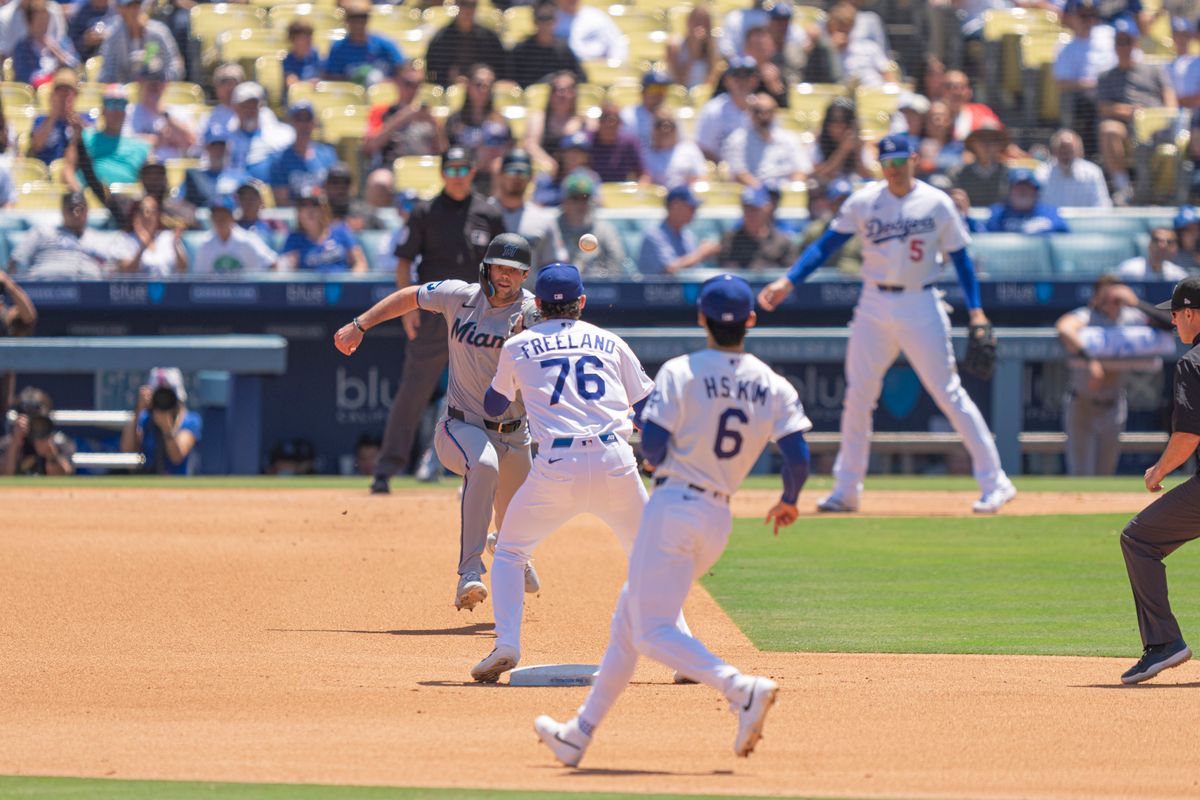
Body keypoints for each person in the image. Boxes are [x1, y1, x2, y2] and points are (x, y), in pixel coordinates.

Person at [533, 273, 811, 767]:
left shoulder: (682, 370)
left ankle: (740, 688)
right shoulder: (773, 383)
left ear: (701, 317)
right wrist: (789, 499)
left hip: (674, 507)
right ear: (749, 320)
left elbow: (655, 446)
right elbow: (798, 455)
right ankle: (579, 733)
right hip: (718, 517)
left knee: (650, 631)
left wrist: (656, 457)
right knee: (628, 620)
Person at [758, 133, 1018, 514]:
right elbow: (825, 245)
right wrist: (789, 280)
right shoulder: (865, 200)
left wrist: (976, 311)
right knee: (858, 396)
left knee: (948, 392)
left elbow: (961, 259)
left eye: (900, 162)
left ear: (914, 159)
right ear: (880, 165)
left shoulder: (936, 202)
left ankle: (996, 482)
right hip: (874, 302)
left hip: (922, 301)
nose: (894, 170)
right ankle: (847, 489)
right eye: (888, 163)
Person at [470, 261, 690, 684]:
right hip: (615, 462)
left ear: (537, 306)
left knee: (512, 552)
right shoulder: (610, 341)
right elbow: (647, 411)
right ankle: (683, 654)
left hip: (556, 467)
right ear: (582, 302)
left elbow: (494, 407)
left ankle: (507, 645)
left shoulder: (519, 345)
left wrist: (516, 350)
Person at [334, 233, 540, 607]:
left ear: (525, 275)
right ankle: (470, 573)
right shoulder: (459, 296)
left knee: (522, 518)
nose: (506, 276)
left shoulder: (533, 314)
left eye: (515, 270)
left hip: (514, 434)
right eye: (500, 267)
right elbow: (410, 295)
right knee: (483, 464)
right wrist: (360, 325)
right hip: (461, 426)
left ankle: (508, 547)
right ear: (486, 268)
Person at [372, 146, 505, 493]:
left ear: (473, 172)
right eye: (452, 170)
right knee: (413, 391)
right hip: (433, 312)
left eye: (464, 169)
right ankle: (385, 470)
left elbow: (504, 267)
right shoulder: (425, 212)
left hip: (479, 313)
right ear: (443, 173)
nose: (458, 176)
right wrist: (408, 311)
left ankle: (490, 468)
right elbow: (404, 262)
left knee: (490, 392)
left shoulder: (488, 213)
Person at [1116, 275, 1200, 684]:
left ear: (1190, 313)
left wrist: (1159, 470)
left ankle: (1165, 643)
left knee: (1139, 539)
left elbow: (1187, 436)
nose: (1172, 323)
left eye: (1175, 315)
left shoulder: (1192, 362)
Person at [1056, 275, 1155, 476]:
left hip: (1113, 405)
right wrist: (1090, 360)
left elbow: (1167, 324)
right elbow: (1064, 327)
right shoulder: (1087, 316)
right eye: (1107, 297)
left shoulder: (1131, 317)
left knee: (1105, 474)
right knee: (1081, 473)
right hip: (1083, 404)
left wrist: (1136, 303)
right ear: (1096, 297)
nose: (1112, 302)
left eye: (1117, 297)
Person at [1097, 15, 1176, 206]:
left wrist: (1159, 116)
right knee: (1108, 129)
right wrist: (1129, 111)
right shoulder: (1107, 76)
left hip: (1155, 126)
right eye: (1119, 42)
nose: (1123, 47)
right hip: (1126, 125)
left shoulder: (1154, 69)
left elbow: (1170, 98)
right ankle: (1123, 187)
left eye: (1127, 41)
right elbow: (1103, 107)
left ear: (1136, 43)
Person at [9, 190, 121, 278]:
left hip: (89, 295)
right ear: (62, 211)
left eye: (80, 209)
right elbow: (15, 261)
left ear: (87, 211)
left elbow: (114, 270)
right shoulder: (43, 232)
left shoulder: (99, 239)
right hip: (44, 292)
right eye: (70, 209)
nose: (76, 214)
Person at [63, 85, 149, 193]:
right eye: (111, 104)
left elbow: (150, 183)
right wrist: (81, 197)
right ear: (102, 110)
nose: (116, 110)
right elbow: (68, 170)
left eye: (121, 104)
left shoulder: (141, 146)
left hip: (126, 205)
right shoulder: (84, 137)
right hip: (89, 203)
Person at [364, 61, 445, 173]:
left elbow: (443, 152)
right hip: (391, 168)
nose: (413, 89)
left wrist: (435, 125)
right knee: (380, 181)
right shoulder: (382, 111)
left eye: (418, 84)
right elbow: (370, 147)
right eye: (408, 83)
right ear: (397, 82)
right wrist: (403, 117)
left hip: (424, 169)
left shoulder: (429, 115)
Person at [493, 149, 567, 272]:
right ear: (500, 174)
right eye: (511, 171)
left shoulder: (544, 219)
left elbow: (554, 266)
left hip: (530, 290)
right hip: (486, 291)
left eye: (523, 172)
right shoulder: (481, 213)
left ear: (531, 177)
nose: (517, 177)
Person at [120, 367, 201, 476]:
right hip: (147, 481)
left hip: (178, 485)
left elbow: (176, 457)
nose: (163, 401)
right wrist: (138, 410)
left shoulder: (190, 420)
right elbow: (127, 449)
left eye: (168, 395)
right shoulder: (145, 418)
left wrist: (167, 429)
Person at [722, 92, 811, 188]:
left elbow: (801, 169)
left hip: (785, 190)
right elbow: (739, 173)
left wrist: (791, 190)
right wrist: (762, 192)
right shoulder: (737, 140)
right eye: (758, 111)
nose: (763, 115)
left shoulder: (790, 138)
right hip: (753, 192)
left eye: (769, 111)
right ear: (749, 112)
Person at [638, 185, 720, 276]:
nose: (694, 212)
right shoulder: (653, 235)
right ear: (675, 206)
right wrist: (701, 253)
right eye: (691, 207)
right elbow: (670, 269)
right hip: (654, 290)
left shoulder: (688, 236)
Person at [281, 188, 367, 274]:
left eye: (315, 204)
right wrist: (288, 264)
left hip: (340, 285)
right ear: (298, 212)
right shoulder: (294, 239)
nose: (310, 210)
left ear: (324, 209)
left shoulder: (341, 231)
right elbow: (285, 269)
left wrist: (352, 282)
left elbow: (360, 263)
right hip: (311, 286)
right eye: (304, 205)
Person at [268, 101, 338, 207]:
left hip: (324, 215)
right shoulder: (280, 160)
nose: (303, 124)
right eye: (298, 119)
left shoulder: (327, 154)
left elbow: (335, 193)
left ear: (314, 123)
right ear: (291, 122)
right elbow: (282, 202)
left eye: (307, 119)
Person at [557, 173, 627, 277]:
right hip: (560, 287)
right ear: (564, 201)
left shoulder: (604, 230)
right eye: (575, 198)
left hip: (598, 288)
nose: (581, 204)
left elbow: (616, 262)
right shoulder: (553, 228)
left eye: (585, 198)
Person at [122, 64, 197, 162]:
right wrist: (160, 140)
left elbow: (190, 142)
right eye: (150, 80)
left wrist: (164, 114)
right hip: (141, 170)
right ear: (140, 82)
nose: (155, 84)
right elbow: (124, 143)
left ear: (166, 84)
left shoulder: (177, 112)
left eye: (159, 80)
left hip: (172, 171)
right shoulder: (128, 112)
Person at [423, 0, 506, 87]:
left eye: (472, 5)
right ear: (456, 5)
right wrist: (449, 79)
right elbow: (432, 75)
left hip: (483, 92)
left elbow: (501, 70)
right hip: (449, 92)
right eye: (464, 4)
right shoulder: (441, 39)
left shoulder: (489, 38)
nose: (468, 9)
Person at [97, 0, 182, 84]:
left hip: (157, 92)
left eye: (138, 5)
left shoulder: (159, 32)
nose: (135, 10)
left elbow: (176, 68)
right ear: (120, 9)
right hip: (124, 95)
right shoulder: (113, 36)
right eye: (130, 6)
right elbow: (106, 73)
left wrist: (158, 75)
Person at [323, 0, 405, 86]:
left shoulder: (385, 44)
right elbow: (330, 78)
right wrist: (354, 81)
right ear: (346, 21)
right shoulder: (338, 49)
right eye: (354, 19)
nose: (359, 24)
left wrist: (382, 84)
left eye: (363, 18)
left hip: (382, 98)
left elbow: (402, 70)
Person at [718, 185, 799, 271]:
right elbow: (728, 270)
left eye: (755, 210)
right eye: (747, 209)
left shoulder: (782, 241)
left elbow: (790, 273)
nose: (751, 215)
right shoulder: (731, 239)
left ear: (767, 209)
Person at [523, 70, 586, 178]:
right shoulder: (538, 118)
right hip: (545, 175)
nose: (562, 94)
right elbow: (530, 145)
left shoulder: (584, 121)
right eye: (558, 90)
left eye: (568, 90)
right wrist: (550, 164)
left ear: (574, 94)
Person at [510, 0, 586, 89]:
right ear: (534, 21)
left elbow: (581, 79)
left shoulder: (563, 49)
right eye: (542, 18)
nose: (546, 23)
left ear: (557, 20)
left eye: (550, 18)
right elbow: (509, 81)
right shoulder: (521, 50)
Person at [0, 387, 75, 476]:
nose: (33, 424)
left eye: (37, 419)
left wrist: (51, 455)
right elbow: (5, 477)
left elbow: (64, 477)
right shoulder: (7, 443)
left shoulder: (59, 442)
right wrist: (14, 444)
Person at [193, 195, 278, 274]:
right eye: (216, 215)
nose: (220, 220)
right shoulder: (206, 244)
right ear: (211, 218)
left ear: (232, 217)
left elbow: (272, 264)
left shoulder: (247, 240)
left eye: (224, 216)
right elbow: (200, 277)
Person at [695, 56, 757, 163]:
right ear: (727, 80)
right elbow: (703, 148)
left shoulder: (763, 109)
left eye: (747, 76)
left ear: (755, 80)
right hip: (723, 172)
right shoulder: (713, 110)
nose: (742, 81)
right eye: (736, 76)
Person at [28, 67, 92, 166]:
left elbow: (93, 147)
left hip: (75, 173)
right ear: (53, 95)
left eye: (69, 91)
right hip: (47, 173)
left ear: (75, 96)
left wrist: (77, 125)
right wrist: (53, 116)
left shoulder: (85, 119)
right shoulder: (41, 120)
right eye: (60, 91)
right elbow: (37, 145)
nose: (64, 96)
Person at [976, 168, 1070, 235]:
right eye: (1018, 187)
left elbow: (1063, 231)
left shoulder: (1049, 212)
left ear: (1036, 191)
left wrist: (1043, 230)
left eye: (1027, 187)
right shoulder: (999, 213)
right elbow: (984, 234)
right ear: (1009, 191)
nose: (1023, 191)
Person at [1035, 128, 1113, 208]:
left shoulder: (1092, 173)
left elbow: (1102, 206)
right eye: (1062, 151)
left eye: (1069, 151)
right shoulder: (1041, 174)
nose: (1066, 156)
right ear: (1054, 151)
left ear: (1079, 151)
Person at [798, 177, 861, 274]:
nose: (843, 206)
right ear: (830, 203)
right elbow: (801, 261)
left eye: (847, 201)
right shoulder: (814, 230)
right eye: (839, 201)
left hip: (855, 284)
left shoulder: (864, 229)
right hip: (820, 285)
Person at [114, 194, 186, 276]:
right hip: (138, 288)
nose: (152, 216)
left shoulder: (168, 237)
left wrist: (175, 244)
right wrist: (142, 247)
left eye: (155, 211)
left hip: (168, 287)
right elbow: (126, 271)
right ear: (137, 215)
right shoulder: (125, 239)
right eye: (147, 211)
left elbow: (183, 269)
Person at [12, 0, 79, 86]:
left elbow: (76, 67)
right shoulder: (22, 48)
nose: (43, 25)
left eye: (45, 20)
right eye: (39, 22)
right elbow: (24, 77)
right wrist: (48, 79)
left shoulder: (62, 42)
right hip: (36, 94)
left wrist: (58, 52)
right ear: (29, 24)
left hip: (61, 90)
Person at [180, 129, 245, 208]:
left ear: (228, 149)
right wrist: (195, 213)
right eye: (214, 147)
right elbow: (176, 202)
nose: (218, 151)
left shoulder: (239, 177)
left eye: (222, 147)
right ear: (206, 148)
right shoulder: (193, 176)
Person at [642, 109, 708, 187]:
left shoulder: (690, 149)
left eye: (670, 125)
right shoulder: (645, 155)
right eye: (659, 124)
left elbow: (702, 178)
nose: (665, 129)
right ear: (652, 129)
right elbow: (643, 183)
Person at [444, 64, 502, 151]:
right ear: (468, 86)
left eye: (488, 86)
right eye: (479, 84)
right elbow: (446, 151)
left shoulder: (500, 122)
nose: (483, 90)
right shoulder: (454, 120)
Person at [950, 124, 1009, 208]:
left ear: (1000, 145)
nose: (987, 145)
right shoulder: (958, 173)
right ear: (973, 144)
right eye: (982, 140)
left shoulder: (1008, 174)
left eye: (993, 140)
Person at [619, 70, 674, 156]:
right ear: (643, 91)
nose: (659, 93)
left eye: (663, 88)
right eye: (654, 88)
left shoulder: (671, 117)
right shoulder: (628, 116)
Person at [588, 101, 644, 183]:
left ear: (620, 123)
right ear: (599, 121)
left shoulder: (629, 142)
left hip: (621, 193)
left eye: (614, 119)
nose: (610, 123)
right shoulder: (588, 140)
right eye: (605, 118)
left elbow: (643, 174)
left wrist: (641, 189)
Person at [554, 0, 626, 62]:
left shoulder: (596, 17)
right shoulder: (549, 20)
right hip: (562, 70)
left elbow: (617, 46)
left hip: (595, 69)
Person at [666, 5, 718, 89]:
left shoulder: (711, 46)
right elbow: (680, 82)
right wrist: (693, 53)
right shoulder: (674, 45)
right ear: (688, 22)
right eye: (697, 21)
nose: (700, 26)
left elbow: (711, 80)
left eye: (704, 22)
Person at [1117, 227, 1187, 280]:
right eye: (1156, 240)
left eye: (1169, 242)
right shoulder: (1128, 270)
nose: (1162, 245)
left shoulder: (1178, 275)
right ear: (1149, 244)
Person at [283, 18, 323, 95]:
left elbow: (321, 80)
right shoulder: (287, 59)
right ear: (292, 39)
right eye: (303, 37)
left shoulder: (316, 55)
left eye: (309, 36)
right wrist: (310, 84)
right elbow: (292, 84)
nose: (309, 40)